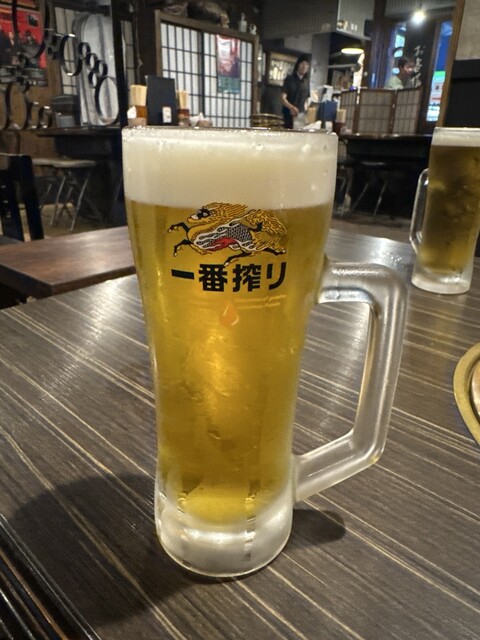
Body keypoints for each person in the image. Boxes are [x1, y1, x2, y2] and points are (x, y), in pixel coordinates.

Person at [280, 54, 310, 129]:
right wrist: (291, 107)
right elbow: (282, 98)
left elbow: (306, 101)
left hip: (301, 117)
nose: (304, 66)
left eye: (306, 64)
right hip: (288, 116)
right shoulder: (289, 79)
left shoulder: (306, 82)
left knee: (300, 135)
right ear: (298, 65)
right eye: (302, 63)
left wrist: (306, 114)